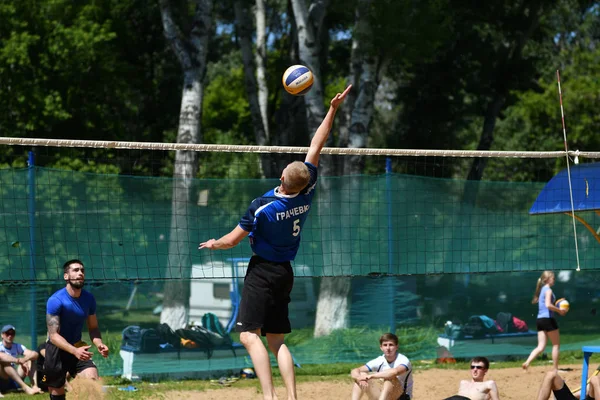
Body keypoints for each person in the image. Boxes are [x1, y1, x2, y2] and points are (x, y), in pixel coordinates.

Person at [199, 85, 352, 400]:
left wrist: (215, 244)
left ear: (283, 178)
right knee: (277, 341)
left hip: (263, 272)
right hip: (285, 272)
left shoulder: (263, 206)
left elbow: (232, 241)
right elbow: (317, 143)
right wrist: (332, 109)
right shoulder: (307, 190)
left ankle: (269, 397)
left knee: (247, 336)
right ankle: (292, 397)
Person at [44, 259, 109, 400]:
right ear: (66, 276)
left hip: (78, 346)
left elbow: (93, 328)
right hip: (56, 350)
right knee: (57, 394)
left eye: (82, 270)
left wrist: (99, 344)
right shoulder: (55, 300)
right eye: (75, 270)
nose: (80, 273)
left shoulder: (89, 299)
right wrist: (74, 351)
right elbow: (53, 336)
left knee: (92, 381)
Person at [522, 270, 567, 370]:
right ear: (547, 279)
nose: (554, 279)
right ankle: (555, 369)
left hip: (540, 320)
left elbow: (546, 304)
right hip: (548, 319)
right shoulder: (548, 290)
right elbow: (548, 305)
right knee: (556, 345)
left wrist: (559, 302)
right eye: (553, 278)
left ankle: (527, 362)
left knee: (541, 346)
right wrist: (560, 311)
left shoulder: (542, 289)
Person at [350, 333, 413, 400]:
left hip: (401, 397)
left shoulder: (403, 360)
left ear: (397, 347)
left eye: (391, 345)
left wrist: (371, 376)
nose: (388, 348)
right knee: (361, 375)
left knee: (390, 378)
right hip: (384, 396)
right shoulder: (379, 360)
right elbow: (355, 370)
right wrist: (358, 378)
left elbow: (394, 372)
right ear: (381, 347)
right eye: (385, 345)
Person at [0, 325, 42, 396]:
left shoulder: (17, 346)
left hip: (15, 379)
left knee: (30, 360)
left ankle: (34, 386)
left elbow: (35, 354)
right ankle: (25, 388)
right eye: (7, 333)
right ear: (2, 335)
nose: (10, 336)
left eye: (12, 334)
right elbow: (1, 356)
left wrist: (24, 360)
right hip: (3, 381)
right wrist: (18, 360)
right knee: (4, 362)